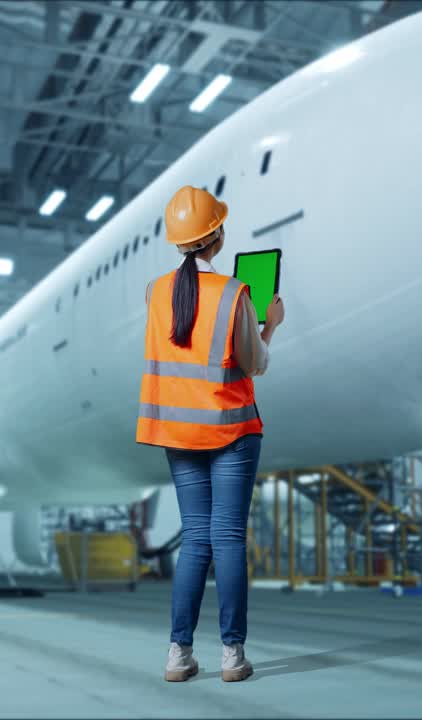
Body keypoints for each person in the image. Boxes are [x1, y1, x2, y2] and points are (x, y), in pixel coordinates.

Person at [136, 185, 285, 683]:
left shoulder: (157, 292)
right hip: (231, 431)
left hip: (178, 436)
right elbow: (254, 363)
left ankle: (178, 655)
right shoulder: (234, 293)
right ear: (216, 234)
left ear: (180, 242)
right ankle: (231, 656)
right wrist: (271, 326)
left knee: (196, 539)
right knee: (227, 539)